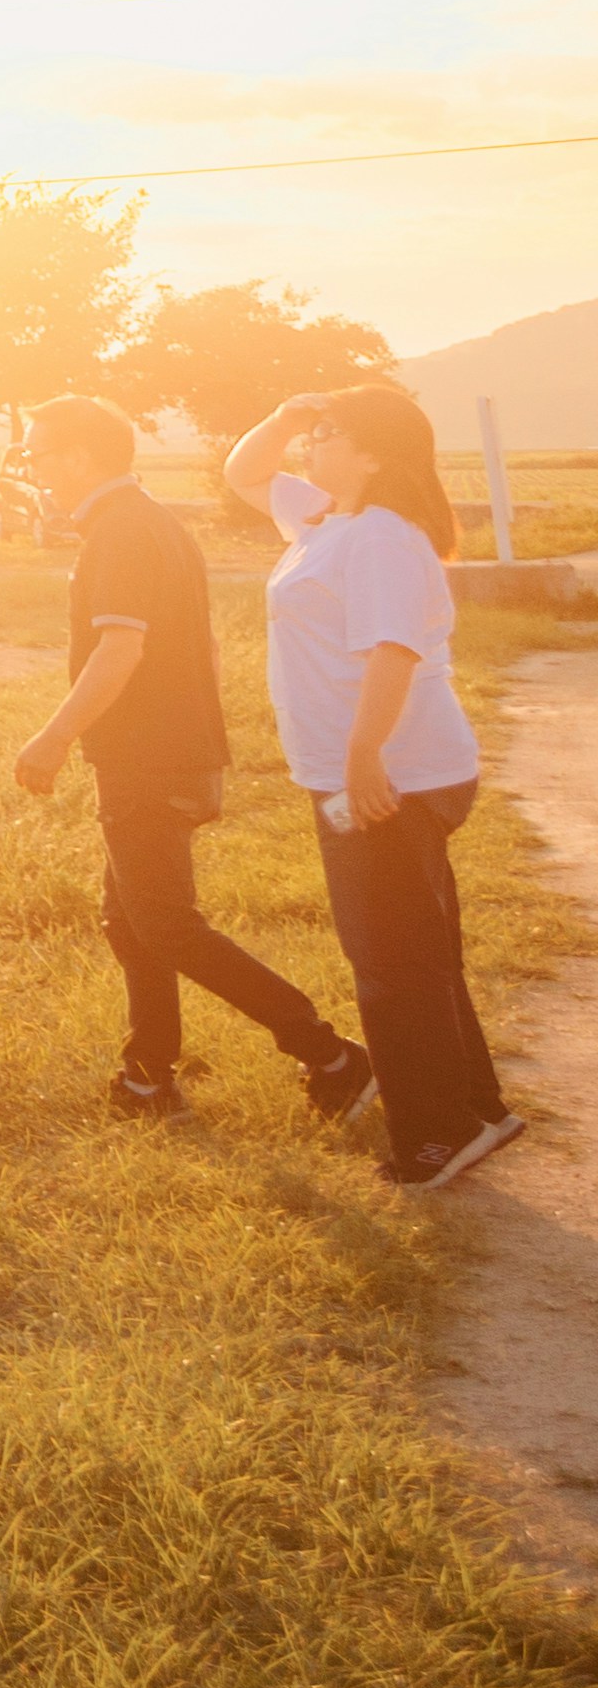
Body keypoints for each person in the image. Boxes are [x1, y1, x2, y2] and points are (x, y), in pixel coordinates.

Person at [1, 395, 369, 1125]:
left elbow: (120, 649)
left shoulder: (120, 533)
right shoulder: (154, 522)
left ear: (79, 457)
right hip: (174, 752)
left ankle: (330, 1055)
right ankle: (147, 1079)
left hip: (147, 760)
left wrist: (54, 736)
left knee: (166, 925)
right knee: (130, 921)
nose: (32, 469)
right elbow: (205, 645)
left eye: (36, 455)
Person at [224, 382, 523, 1189]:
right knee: (419, 951)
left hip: (391, 776)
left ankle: (437, 1133)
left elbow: (395, 650)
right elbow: (244, 472)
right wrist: (286, 415)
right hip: (380, 770)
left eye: (328, 433)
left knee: (390, 963)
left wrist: (363, 757)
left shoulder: (383, 535)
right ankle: (478, 1108)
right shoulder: (329, 520)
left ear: (374, 455)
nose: (312, 443)